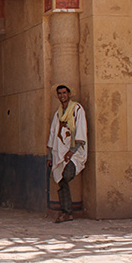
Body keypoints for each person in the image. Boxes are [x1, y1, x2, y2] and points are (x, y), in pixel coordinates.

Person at [46, 84, 87, 223]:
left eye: (64, 93)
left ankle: (67, 211)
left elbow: (81, 131)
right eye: (60, 93)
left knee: (65, 177)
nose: (62, 95)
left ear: (69, 94)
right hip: (60, 155)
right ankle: (67, 213)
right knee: (61, 180)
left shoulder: (77, 109)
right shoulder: (58, 114)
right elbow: (53, 135)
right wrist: (50, 156)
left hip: (74, 154)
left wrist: (71, 151)